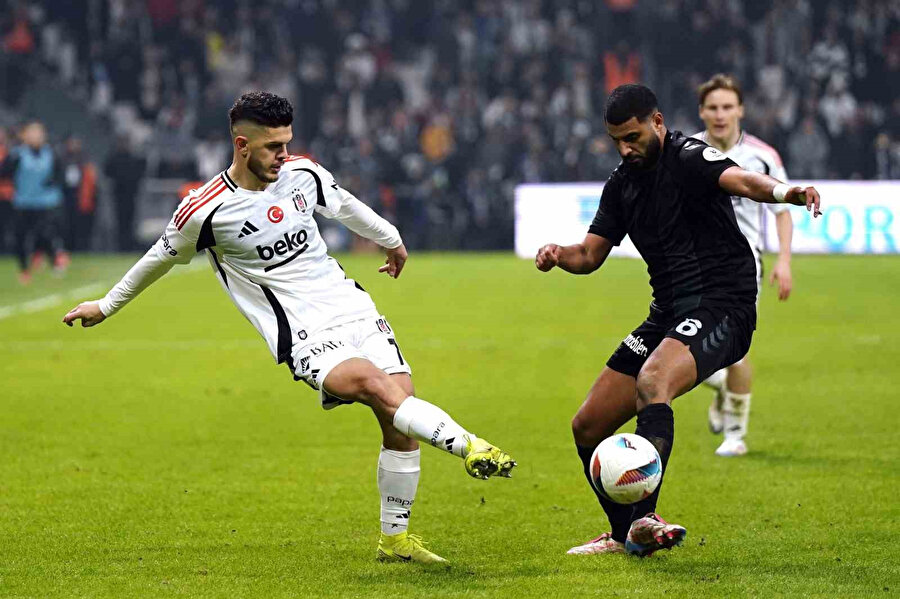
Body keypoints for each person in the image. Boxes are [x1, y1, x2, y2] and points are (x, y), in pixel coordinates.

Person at [62, 92, 515, 565]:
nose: (284, 155)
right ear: (242, 146)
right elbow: (157, 259)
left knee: (398, 413)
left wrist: (391, 239)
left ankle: (395, 541)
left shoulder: (302, 173)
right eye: (273, 147)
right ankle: (470, 445)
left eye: (287, 143)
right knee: (373, 386)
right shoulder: (205, 210)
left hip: (353, 307)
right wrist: (106, 306)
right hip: (304, 333)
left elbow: (343, 205)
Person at [534, 84, 820, 557]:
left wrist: (787, 192)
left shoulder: (688, 157)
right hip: (666, 314)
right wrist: (558, 254)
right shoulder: (622, 184)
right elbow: (588, 255)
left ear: (658, 122)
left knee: (654, 381)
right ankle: (625, 536)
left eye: (632, 137)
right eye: (616, 141)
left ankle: (646, 518)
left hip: (723, 306)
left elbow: (743, 181)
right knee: (587, 425)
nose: (625, 149)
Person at [692, 74, 794, 457]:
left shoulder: (762, 155)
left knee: (734, 349)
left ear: (740, 110)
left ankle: (735, 436)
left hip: (742, 268)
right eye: (713, 108)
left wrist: (784, 261)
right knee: (676, 344)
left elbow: (783, 211)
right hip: (691, 267)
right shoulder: (686, 151)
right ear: (702, 112)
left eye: (727, 107)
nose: (720, 115)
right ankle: (721, 384)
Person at [0, 121, 68, 284]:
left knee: (45, 232)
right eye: (32, 132)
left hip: (46, 202)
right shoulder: (17, 154)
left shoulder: (51, 153)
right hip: (23, 202)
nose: (36, 136)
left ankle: (53, 258)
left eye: (38, 133)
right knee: (21, 236)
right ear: (24, 135)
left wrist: (53, 181)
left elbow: (60, 174)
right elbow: (4, 172)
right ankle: (24, 269)